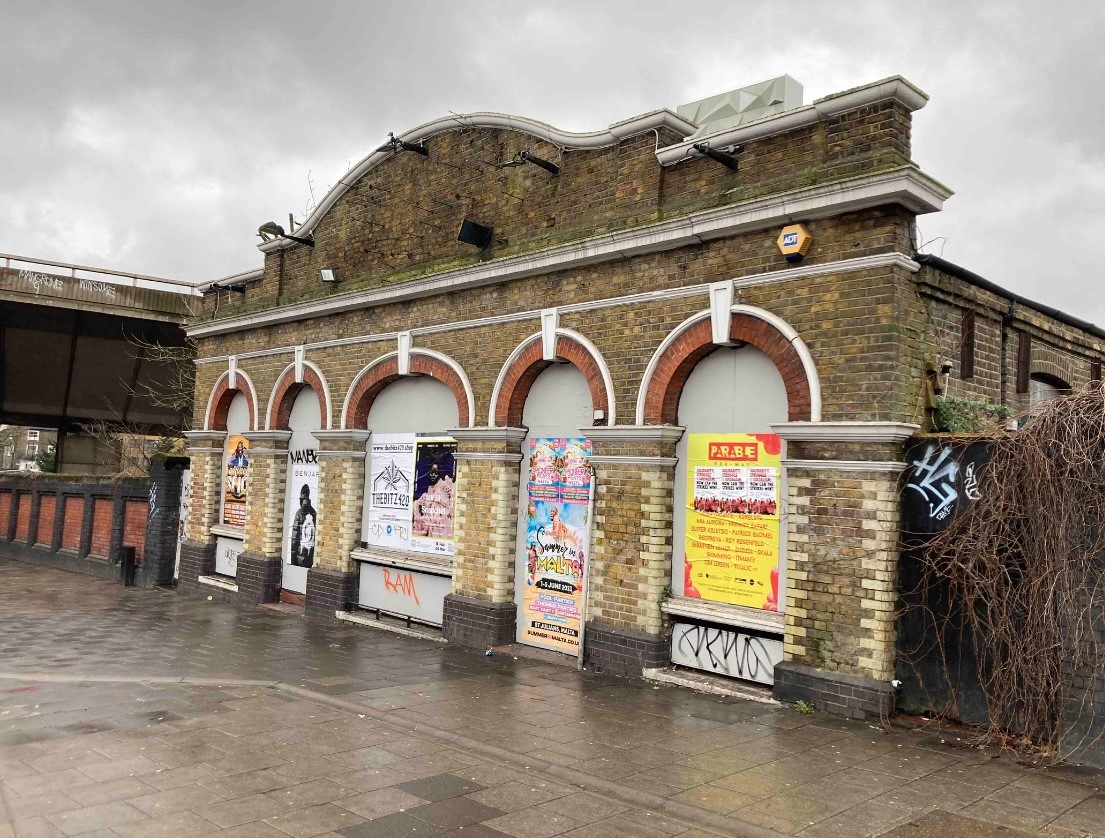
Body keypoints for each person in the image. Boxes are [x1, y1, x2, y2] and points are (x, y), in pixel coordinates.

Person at [289, 484, 316, 567]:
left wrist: (293, 561)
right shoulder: (314, 512)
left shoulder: (299, 513)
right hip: (311, 557)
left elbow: (295, 539)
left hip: (299, 557)